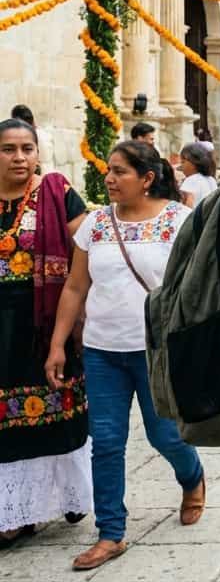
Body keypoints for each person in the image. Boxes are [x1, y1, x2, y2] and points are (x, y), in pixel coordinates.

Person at [44, 140, 204, 571]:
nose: (110, 179)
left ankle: (192, 477)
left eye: (120, 172)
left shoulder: (178, 221)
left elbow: (196, 286)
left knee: (165, 436)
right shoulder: (94, 224)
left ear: (147, 178)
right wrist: (58, 344)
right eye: (108, 171)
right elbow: (76, 288)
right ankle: (110, 532)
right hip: (102, 351)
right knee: (108, 443)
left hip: (158, 352)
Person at [0, 120, 91, 551]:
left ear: (38, 153)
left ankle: (59, 501)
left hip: (44, 325)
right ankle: (13, 513)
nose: (19, 157)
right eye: (8, 149)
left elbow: (86, 255)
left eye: (27, 148)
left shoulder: (57, 193)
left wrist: (71, 330)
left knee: (52, 418)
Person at [178, 143, 217, 208]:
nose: (181, 166)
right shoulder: (211, 179)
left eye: (183, 162)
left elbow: (187, 207)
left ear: (194, 163)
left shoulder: (191, 180)